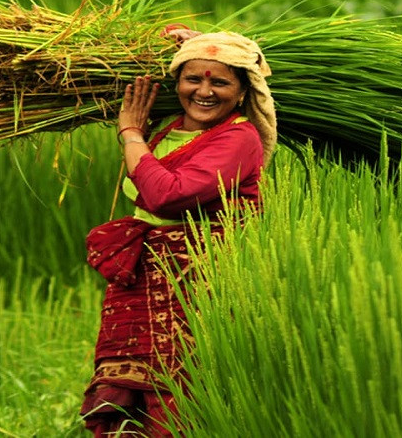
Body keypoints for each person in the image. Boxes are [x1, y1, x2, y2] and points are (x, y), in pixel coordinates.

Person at [79, 29, 277, 437]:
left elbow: (167, 195)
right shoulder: (169, 130)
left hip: (195, 294)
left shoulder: (240, 138)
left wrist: (131, 134)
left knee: (182, 405)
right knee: (131, 411)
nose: (204, 91)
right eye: (193, 79)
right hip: (143, 289)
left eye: (220, 81)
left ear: (242, 92)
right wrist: (201, 41)